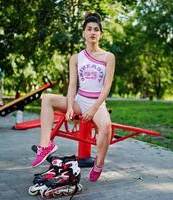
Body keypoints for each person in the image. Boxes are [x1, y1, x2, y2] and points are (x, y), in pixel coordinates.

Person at [31, 12, 115, 182]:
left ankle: (98, 163)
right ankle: (45, 146)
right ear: (83, 33)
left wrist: (93, 108)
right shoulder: (76, 58)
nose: (93, 32)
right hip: (79, 100)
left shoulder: (108, 57)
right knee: (47, 98)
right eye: (89, 29)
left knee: (106, 128)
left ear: (101, 34)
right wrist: (70, 107)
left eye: (96, 29)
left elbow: (107, 87)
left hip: (97, 104)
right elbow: (72, 85)